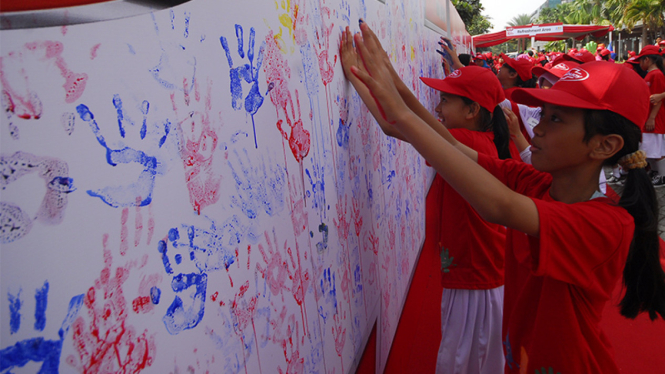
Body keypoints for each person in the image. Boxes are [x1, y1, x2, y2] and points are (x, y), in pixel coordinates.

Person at [342, 22, 665, 374]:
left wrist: (399, 107)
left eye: (555, 118)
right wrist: (393, 82)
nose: (537, 127)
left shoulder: (606, 223)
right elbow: (450, 145)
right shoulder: (539, 183)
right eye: (542, 114)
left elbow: (498, 205)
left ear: (605, 145)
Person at [342, 28, 510, 374]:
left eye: (446, 100)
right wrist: (385, 72)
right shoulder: (481, 138)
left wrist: (356, 74)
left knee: (461, 361)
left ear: (472, 110)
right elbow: (412, 115)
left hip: (475, 277)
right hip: (478, 272)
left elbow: (395, 125)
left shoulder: (467, 143)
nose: (438, 106)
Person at [636, 45, 665, 186]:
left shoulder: (656, 75)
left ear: (647, 59)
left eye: (640, 60)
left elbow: (658, 100)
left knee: (656, 149)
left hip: (654, 118)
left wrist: (652, 118)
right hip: (649, 117)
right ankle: (655, 172)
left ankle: (662, 176)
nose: (640, 64)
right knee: (650, 149)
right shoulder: (651, 74)